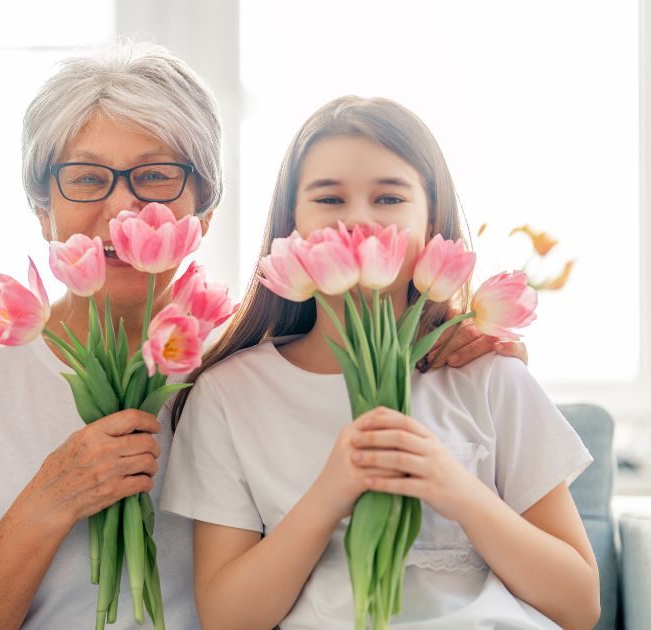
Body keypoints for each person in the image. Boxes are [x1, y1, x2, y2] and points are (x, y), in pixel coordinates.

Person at [160, 96, 599, 629]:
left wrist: (452, 485)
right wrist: (332, 490)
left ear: (431, 219)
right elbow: (228, 619)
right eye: (329, 198)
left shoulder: (489, 375)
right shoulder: (232, 394)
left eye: (389, 197)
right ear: (291, 224)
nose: (359, 220)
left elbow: (579, 604)